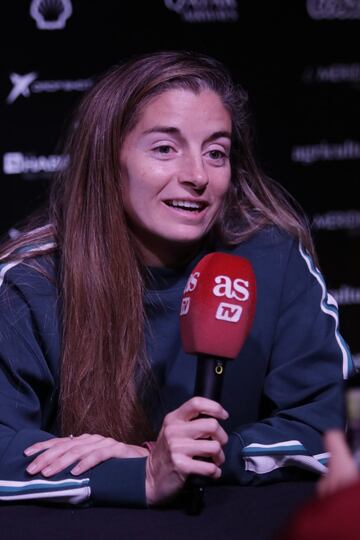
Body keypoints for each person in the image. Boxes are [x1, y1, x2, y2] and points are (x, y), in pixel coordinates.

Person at [0, 50, 352, 508]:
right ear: (108, 161)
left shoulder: (274, 258)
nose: (197, 176)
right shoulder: (31, 281)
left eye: (216, 152)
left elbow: (331, 426)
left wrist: (196, 457)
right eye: (165, 148)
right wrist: (139, 475)